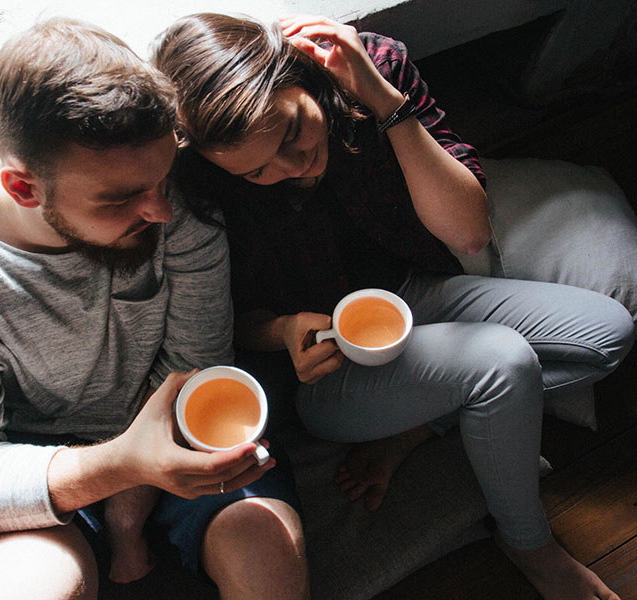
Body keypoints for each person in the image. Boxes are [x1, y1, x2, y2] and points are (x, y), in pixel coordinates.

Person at [152, 12, 634, 600]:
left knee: (608, 332)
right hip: (331, 369)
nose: (291, 168)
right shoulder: (199, 181)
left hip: (410, 295)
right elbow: (227, 322)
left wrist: (386, 102)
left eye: (293, 133)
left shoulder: (371, 70)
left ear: (301, 76)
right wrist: (281, 331)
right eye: (257, 171)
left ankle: (417, 427)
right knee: (503, 361)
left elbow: (470, 233)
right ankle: (528, 542)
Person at [0, 17, 309, 600]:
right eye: (121, 200)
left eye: (162, 179)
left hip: (182, 425)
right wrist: (121, 468)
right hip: (36, 472)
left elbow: (198, 360)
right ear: (22, 188)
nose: (160, 211)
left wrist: (130, 513)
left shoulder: (170, 198)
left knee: (269, 561)